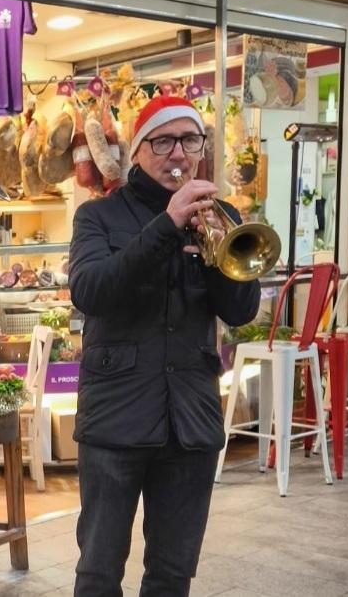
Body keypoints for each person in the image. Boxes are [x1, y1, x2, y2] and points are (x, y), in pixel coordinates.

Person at [68, 96, 261, 596]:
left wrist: (217, 258)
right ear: (137, 151)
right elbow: (92, 291)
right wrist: (167, 225)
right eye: (164, 141)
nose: (179, 153)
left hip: (190, 421)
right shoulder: (99, 217)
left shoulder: (220, 215)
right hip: (115, 420)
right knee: (98, 571)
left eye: (190, 140)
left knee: (173, 575)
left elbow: (239, 312)